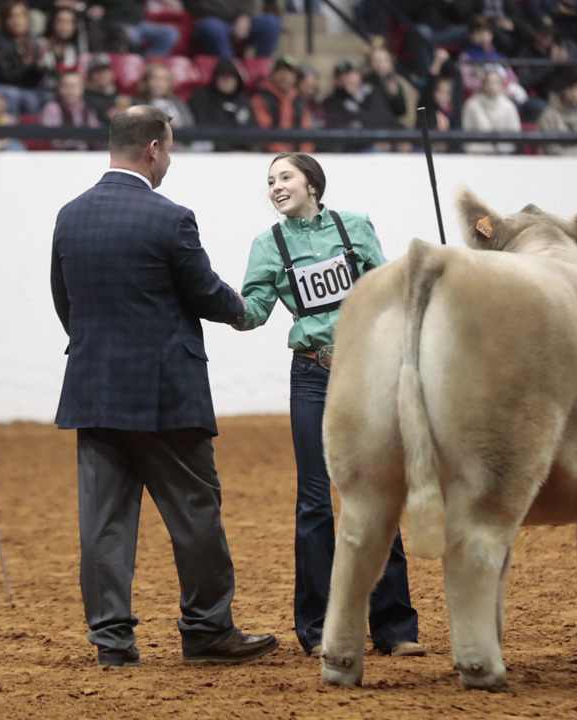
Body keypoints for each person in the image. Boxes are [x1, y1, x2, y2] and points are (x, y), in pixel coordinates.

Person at [50, 105, 278, 668]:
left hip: (95, 391)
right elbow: (205, 293)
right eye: (169, 149)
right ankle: (206, 631)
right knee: (195, 513)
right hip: (166, 397)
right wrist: (249, 307)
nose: (169, 159)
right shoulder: (170, 217)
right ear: (153, 148)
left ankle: (112, 642)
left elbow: (65, 301)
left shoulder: (69, 215)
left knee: (104, 524)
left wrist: (97, 354)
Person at [231, 151, 423, 660]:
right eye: (269, 180)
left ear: (312, 182)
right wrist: (208, 295)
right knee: (315, 502)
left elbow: (386, 292)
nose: (274, 186)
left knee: (379, 492)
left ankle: (395, 627)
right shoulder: (266, 245)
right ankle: (316, 630)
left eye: (284, 176)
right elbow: (252, 313)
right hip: (312, 374)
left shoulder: (355, 226)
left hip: (367, 372)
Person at [321, 59, 402, 151]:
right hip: (361, 148)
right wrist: (372, 142)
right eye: (339, 76)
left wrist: (401, 138)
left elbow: (389, 116)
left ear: (359, 76)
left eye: (348, 74)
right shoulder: (332, 102)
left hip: (391, 141)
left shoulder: (374, 93)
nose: (344, 78)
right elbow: (344, 129)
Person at [0, 0, 46, 115]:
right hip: (2, 86)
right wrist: (28, 64)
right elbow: (6, 76)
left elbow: (37, 78)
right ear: (4, 20)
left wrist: (40, 65)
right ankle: (12, 131)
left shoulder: (33, 41)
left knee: (47, 95)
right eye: (11, 17)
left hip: (27, 88)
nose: (16, 21)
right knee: (18, 96)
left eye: (20, 16)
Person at [514, 13, 577, 102]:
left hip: (569, 94)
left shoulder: (563, 44)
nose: (548, 37)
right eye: (544, 33)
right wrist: (551, 64)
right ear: (533, 32)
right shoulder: (525, 50)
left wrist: (567, 61)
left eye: (550, 33)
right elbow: (524, 81)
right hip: (542, 95)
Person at [188, 57, 255, 150]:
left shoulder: (244, 102)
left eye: (231, 77)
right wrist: (229, 152)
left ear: (237, 80)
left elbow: (254, 131)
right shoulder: (201, 99)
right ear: (215, 78)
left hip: (246, 155)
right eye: (223, 76)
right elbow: (204, 130)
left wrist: (250, 151)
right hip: (213, 154)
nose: (227, 80)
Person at [251, 56, 314, 154]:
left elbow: (306, 133)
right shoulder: (260, 99)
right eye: (280, 71)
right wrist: (285, 155)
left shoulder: (299, 101)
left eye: (288, 72)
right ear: (272, 75)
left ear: (294, 77)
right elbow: (264, 131)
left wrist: (304, 155)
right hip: (267, 156)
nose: (284, 76)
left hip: (295, 157)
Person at [186, 0, 281, 58]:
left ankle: (261, 71)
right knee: (214, 27)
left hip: (238, 20)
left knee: (271, 22)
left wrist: (245, 16)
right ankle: (230, 71)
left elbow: (249, 3)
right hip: (206, 20)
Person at [87, 0, 180, 57]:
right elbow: (88, 7)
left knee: (170, 33)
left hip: (140, 24)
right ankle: (135, 63)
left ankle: (149, 62)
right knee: (133, 37)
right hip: (116, 24)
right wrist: (92, 10)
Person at [462, 65, 521, 153]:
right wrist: (475, 150)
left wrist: (500, 151)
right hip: (478, 156)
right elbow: (465, 135)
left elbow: (515, 136)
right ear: (483, 83)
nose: (492, 86)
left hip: (503, 157)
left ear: (501, 84)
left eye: (496, 82)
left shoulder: (509, 106)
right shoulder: (472, 105)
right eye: (489, 82)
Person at [538, 66, 577, 155]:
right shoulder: (549, 115)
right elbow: (548, 148)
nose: (575, 94)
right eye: (571, 88)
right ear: (563, 88)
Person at [39, 70, 100, 149]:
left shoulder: (88, 110)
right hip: (60, 157)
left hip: (86, 157)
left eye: (74, 86)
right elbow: (52, 141)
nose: (70, 91)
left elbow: (95, 139)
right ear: (59, 88)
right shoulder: (51, 109)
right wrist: (80, 139)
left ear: (82, 89)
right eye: (66, 86)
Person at [133, 62, 193, 128]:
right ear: (146, 81)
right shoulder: (137, 104)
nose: (159, 83)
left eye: (164, 79)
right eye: (155, 78)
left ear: (169, 83)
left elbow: (189, 123)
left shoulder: (178, 102)